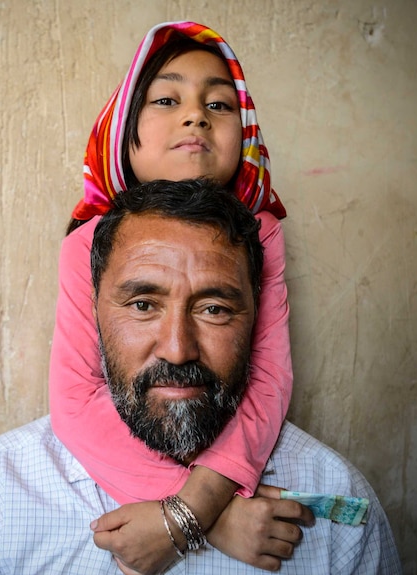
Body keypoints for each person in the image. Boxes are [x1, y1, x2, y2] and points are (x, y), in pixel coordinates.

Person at [0, 179, 402, 574]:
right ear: (93, 316)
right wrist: (202, 518)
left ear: (259, 319)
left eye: (214, 309)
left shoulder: (337, 506)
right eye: (144, 305)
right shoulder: (0, 493)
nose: (177, 347)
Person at [50, 21, 294, 572]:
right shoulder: (88, 244)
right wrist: (210, 517)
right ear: (121, 130)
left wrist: (194, 507)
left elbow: (268, 379)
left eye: (220, 104)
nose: (197, 116)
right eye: (166, 98)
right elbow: (74, 399)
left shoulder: (261, 234)